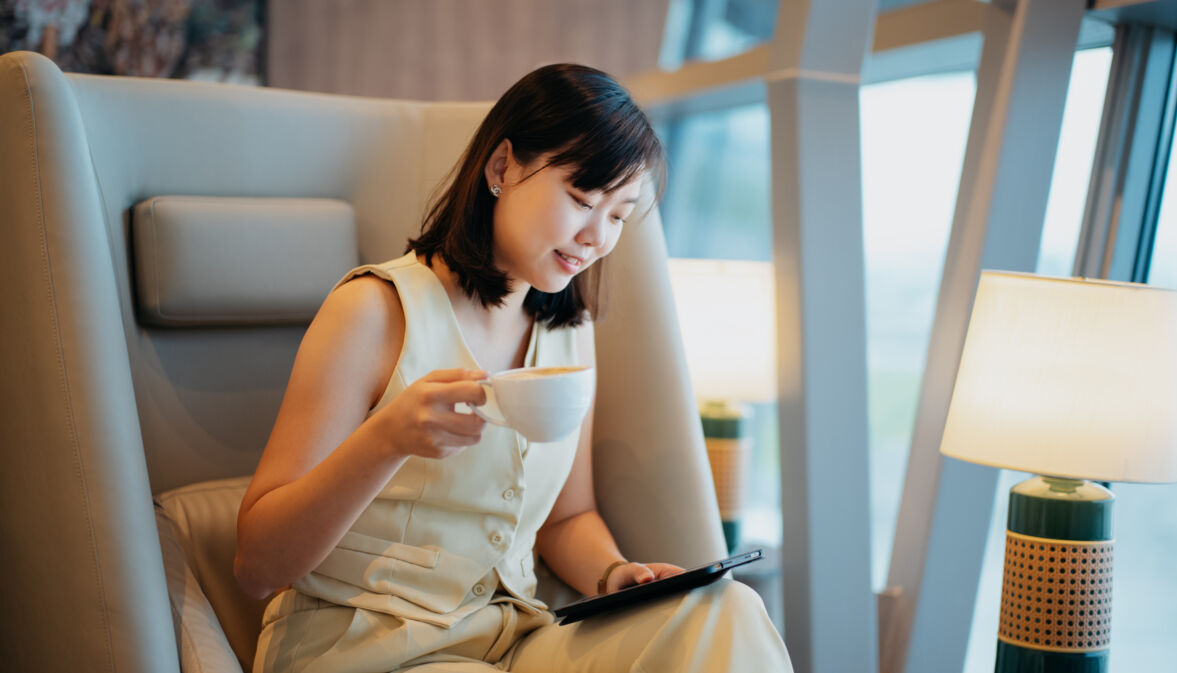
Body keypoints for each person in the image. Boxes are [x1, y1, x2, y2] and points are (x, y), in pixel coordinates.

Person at [234, 63, 793, 673]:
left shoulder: (569, 331)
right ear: (501, 168)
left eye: (618, 214)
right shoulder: (374, 309)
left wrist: (614, 575)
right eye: (582, 198)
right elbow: (258, 565)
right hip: (366, 647)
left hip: (515, 643)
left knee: (724, 610)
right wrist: (387, 437)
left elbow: (566, 517)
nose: (595, 237)